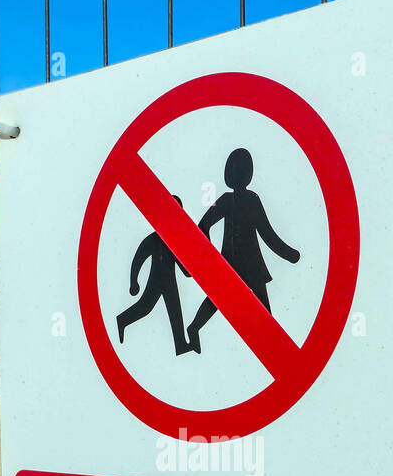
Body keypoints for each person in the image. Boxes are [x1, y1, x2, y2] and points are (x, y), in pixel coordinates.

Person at [185, 148, 299, 354]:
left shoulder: (229, 200)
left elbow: (204, 226)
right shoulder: (245, 199)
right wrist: (289, 254)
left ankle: (273, 348)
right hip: (246, 263)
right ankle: (274, 348)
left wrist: (289, 254)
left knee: (220, 300)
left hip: (235, 262)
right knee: (243, 303)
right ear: (249, 173)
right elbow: (267, 234)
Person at [116, 195, 192, 356]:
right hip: (157, 281)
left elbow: (182, 263)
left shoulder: (175, 240)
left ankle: (180, 344)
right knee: (145, 307)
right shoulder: (155, 239)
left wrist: (191, 271)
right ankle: (122, 320)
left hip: (169, 280)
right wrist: (133, 281)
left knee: (175, 310)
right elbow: (139, 258)